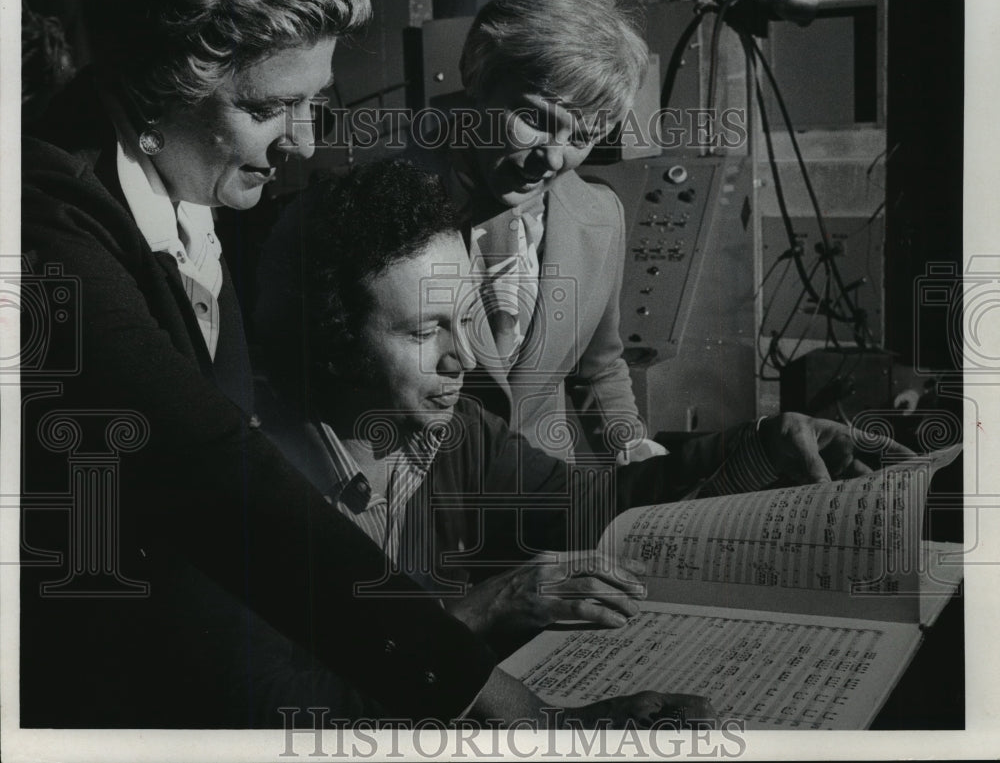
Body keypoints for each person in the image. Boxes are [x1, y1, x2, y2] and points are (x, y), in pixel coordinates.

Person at [20, 0, 675, 730]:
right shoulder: (49, 226)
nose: (301, 140)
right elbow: (224, 481)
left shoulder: (192, 191)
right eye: (271, 107)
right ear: (166, 80)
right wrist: (507, 705)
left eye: (315, 103)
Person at [254, 159, 911, 663]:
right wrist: (480, 612)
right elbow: (294, 697)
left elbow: (595, 506)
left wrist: (760, 445)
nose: (464, 358)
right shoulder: (258, 478)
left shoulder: (459, 436)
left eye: (465, 318)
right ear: (335, 341)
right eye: (426, 332)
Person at [413, 0, 660, 462]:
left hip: (544, 503)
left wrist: (630, 446)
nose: (553, 158)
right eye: (534, 120)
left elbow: (600, 368)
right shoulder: (381, 201)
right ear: (477, 83)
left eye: (583, 136)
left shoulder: (601, 217)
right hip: (411, 506)